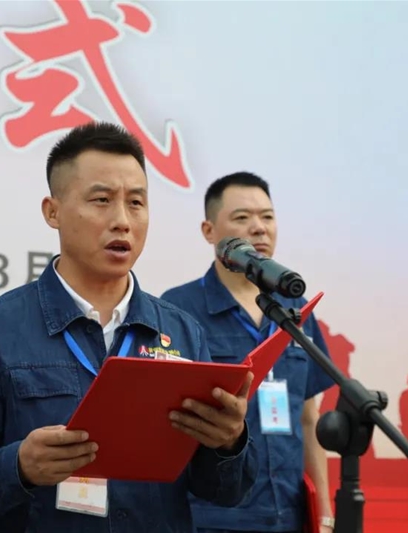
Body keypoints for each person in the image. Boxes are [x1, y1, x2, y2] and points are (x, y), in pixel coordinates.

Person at [0, 122, 258, 532]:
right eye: (101, 200)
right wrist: (18, 466)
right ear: (53, 211)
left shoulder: (182, 332)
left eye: (136, 202)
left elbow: (225, 492)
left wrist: (228, 443)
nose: (122, 221)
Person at [161, 172, 335, 533]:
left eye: (267, 216)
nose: (259, 228)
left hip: (288, 516)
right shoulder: (177, 310)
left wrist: (324, 512)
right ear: (209, 231)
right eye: (242, 218)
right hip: (210, 519)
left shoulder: (296, 309)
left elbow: (308, 419)